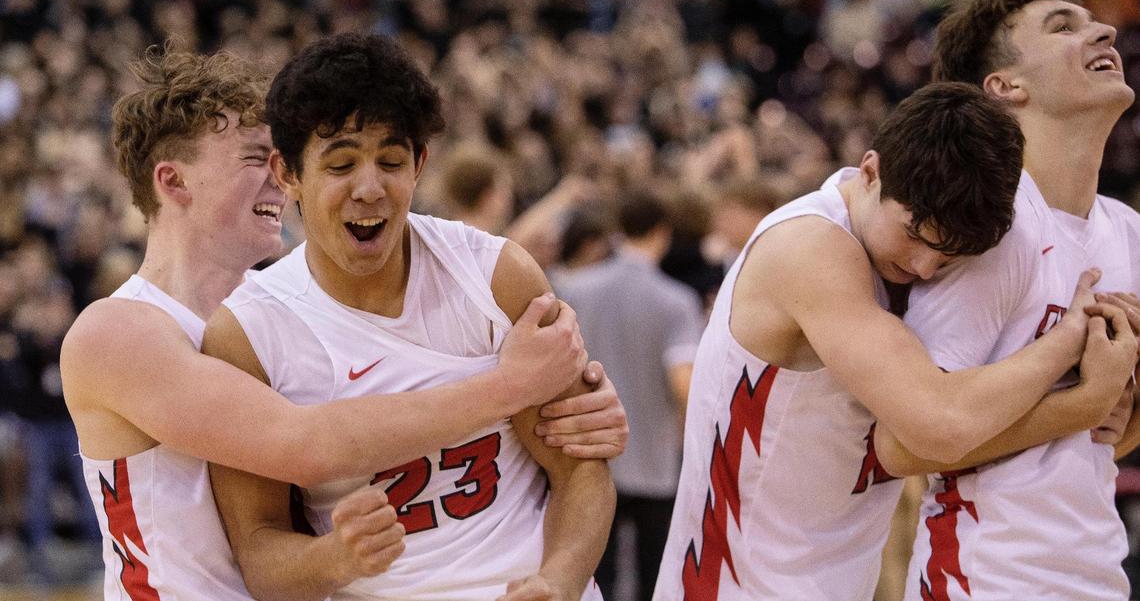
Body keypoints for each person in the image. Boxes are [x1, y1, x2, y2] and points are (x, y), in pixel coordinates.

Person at [61, 47, 628, 601]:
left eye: (273, 158)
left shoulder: (254, 312)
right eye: (255, 159)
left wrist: (583, 404)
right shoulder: (123, 331)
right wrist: (511, 385)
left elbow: (579, 463)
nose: (273, 182)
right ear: (174, 182)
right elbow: (306, 446)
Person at [652, 81, 1138, 601]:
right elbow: (940, 426)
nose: (923, 267)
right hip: (732, 586)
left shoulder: (892, 259)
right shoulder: (811, 248)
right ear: (869, 170)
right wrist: (1071, 358)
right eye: (914, 236)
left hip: (829, 582)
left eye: (947, 258)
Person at [867, 0, 1140, 599]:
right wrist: (1084, 401)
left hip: (1096, 572)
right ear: (1005, 85)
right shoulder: (993, 228)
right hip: (982, 580)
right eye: (1062, 26)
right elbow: (903, 444)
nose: (1101, 30)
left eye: (1093, 20)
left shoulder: (1126, 229)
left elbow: (1107, 436)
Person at [555, 190, 705, 601]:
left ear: (618, 230)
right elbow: (683, 384)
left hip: (585, 454)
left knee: (591, 575)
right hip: (654, 459)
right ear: (663, 233)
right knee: (652, 577)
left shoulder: (573, 287)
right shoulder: (676, 301)